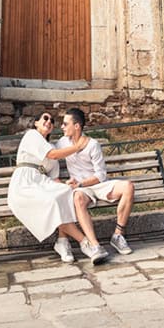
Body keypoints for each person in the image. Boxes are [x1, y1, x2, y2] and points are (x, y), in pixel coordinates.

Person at [7, 111, 108, 264]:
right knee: (53, 201)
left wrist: (68, 185)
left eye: (52, 120)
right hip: (25, 182)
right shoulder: (32, 135)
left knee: (66, 192)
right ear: (36, 123)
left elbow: (54, 178)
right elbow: (53, 155)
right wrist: (78, 147)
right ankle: (84, 242)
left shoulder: (50, 145)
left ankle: (62, 241)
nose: (49, 121)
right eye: (45, 118)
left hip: (42, 182)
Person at [56, 107, 135, 255]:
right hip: (81, 190)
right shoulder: (62, 143)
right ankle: (95, 245)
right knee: (78, 198)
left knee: (128, 187)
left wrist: (81, 183)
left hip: (97, 185)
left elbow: (101, 175)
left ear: (77, 126)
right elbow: (50, 154)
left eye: (65, 124)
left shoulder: (92, 144)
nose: (62, 127)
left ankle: (118, 235)